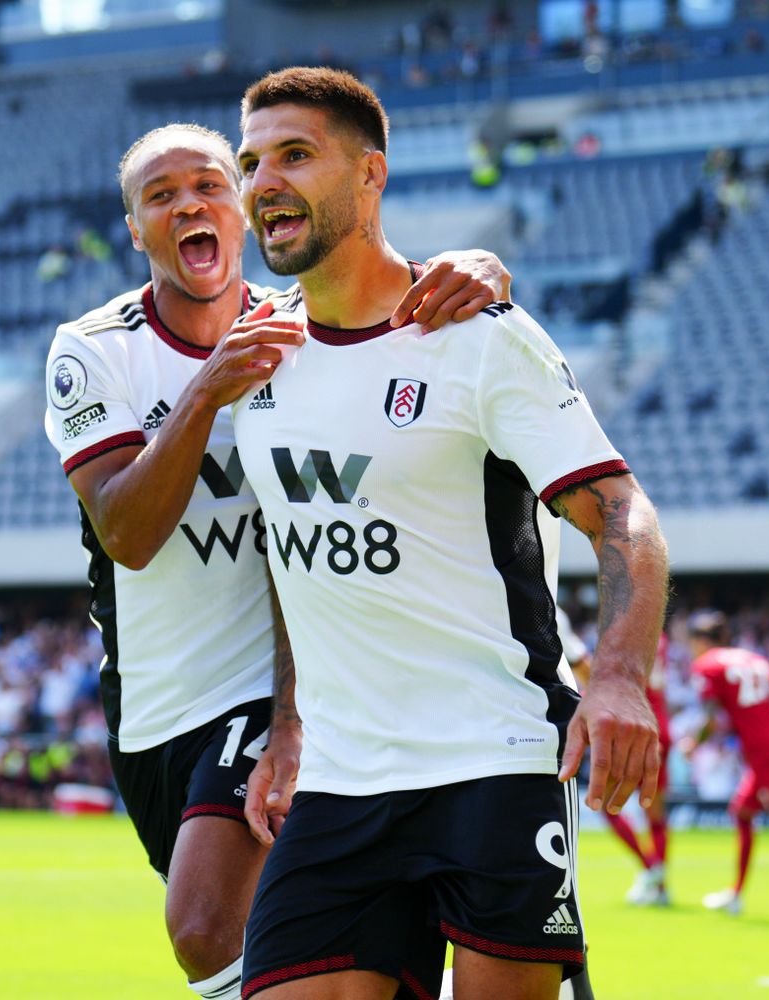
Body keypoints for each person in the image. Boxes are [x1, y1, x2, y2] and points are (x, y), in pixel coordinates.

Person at [43, 119, 513, 1000]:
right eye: (161, 196)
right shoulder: (93, 350)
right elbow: (128, 536)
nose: (191, 203)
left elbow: (402, 308)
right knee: (257, 944)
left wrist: (477, 267)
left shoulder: (302, 326)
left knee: (205, 926)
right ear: (136, 229)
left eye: (211, 185)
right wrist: (209, 389)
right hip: (154, 706)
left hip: (286, 685)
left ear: (244, 209)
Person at [233, 67, 669, 1000]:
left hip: (496, 760)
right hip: (341, 785)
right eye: (251, 161)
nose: (263, 179)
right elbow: (293, 546)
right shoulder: (258, 353)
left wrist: (624, 675)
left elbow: (622, 509)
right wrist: (287, 718)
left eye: (296, 155)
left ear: (371, 175)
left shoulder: (478, 335)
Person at [566, 625, 672, 908]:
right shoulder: (659, 638)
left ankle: (651, 867)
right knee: (655, 813)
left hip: (628, 724)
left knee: (605, 804)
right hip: (660, 725)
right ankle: (660, 887)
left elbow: (603, 683)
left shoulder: (620, 637)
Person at [686, 610, 769, 916]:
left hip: (765, 752)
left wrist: (693, 744)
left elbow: (711, 717)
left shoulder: (708, 665)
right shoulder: (755, 659)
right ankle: (736, 893)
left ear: (700, 640)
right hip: (763, 750)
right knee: (743, 811)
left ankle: (736, 893)